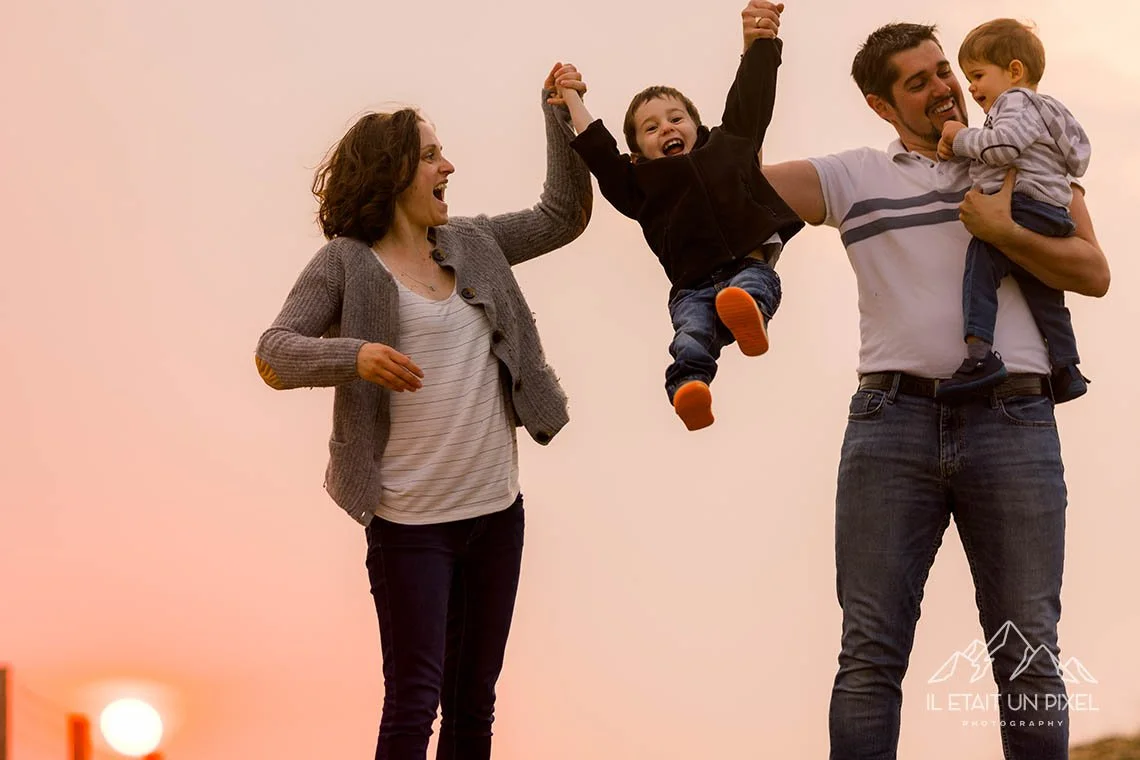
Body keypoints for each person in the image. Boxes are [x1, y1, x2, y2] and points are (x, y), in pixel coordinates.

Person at [751, 3, 1110, 758]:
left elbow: (1094, 271)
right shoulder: (854, 174)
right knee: (869, 656)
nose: (945, 87)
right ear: (883, 105)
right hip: (891, 422)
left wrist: (1004, 231)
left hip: (1015, 420)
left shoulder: (1020, 153)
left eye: (945, 68)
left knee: (1030, 657)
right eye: (919, 83)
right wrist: (747, 65)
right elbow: (731, 189)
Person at [253, 64, 592, 760]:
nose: (449, 165)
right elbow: (275, 352)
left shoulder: (474, 243)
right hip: (411, 527)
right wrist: (355, 357)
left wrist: (558, 112)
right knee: (414, 700)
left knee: (475, 708)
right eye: (433, 154)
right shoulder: (345, 264)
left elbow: (565, 215)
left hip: (495, 514)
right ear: (393, 171)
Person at [552, 2, 802, 431]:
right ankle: (690, 388)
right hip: (692, 288)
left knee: (752, 286)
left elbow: (751, 97)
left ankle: (751, 315)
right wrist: (572, 97)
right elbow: (600, 153)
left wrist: (759, 43)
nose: (666, 128)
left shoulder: (729, 144)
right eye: (650, 129)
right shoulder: (638, 186)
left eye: (674, 118)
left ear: (696, 125)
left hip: (749, 262)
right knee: (690, 338)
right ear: (638, 154)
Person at [934, 18, 1091, 401]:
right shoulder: (1051, 110)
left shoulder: (1014, 102)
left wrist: (958, 137)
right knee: (1044, 289)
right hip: (1052, 212)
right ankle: (1067, 366)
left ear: (1014, 71)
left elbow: (1003, 148)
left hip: (1023, 204)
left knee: (981, 264)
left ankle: (979, 356)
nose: (971, 87)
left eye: (978, 75)